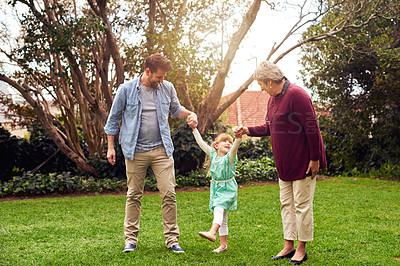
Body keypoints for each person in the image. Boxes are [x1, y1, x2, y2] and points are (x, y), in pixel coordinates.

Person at [235, 61, 327, 265]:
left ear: (269, 81)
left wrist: (315, 159)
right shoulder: (273, 99)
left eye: (261, 84)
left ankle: (301, 249)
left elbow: (312, 129)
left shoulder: (297, 95)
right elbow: (269, 127)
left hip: (302, 161)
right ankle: (288, 245)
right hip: (283, 164)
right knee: (286, 204)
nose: (260, 89)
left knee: (302, 206)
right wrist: (247, 130)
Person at [104, 53, 197, 253]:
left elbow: (176, 110)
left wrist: (190, 114)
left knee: (169, 194)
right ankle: (130, 240)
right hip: (135, 151)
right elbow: (113, 119)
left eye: (163, 77)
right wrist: (111, 147)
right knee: (134, 195)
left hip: (161, 150)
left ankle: (172, 240)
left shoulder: (167, 88)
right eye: (159, 77)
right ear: (147, 71)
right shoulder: (126, 90)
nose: (161, 81)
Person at [189, 121, 242, 253]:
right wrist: (195, 129)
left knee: (218, 209)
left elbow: (234, 148)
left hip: (228, 188)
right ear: (216, 146)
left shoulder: (230, 158)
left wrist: (237, 139)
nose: (228, 143)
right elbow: (201, 144)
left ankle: (212, 232)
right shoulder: (212, 154)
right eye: (224, 141)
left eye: (229, 142)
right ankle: (223, 245)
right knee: (222, 218)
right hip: (216, 188)